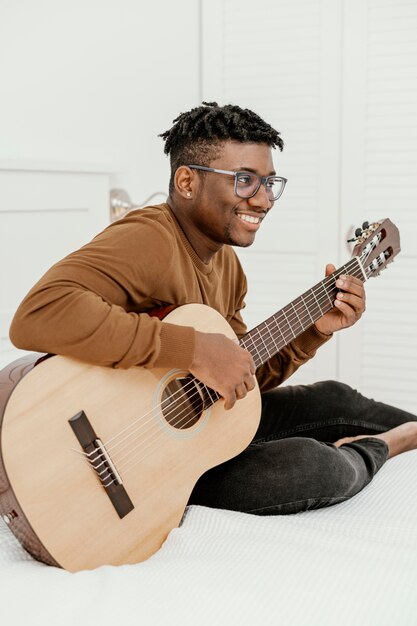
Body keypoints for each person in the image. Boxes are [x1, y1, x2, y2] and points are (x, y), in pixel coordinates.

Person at [9, 101, 417, 515]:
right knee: (313, 465)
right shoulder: (148, 239)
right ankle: (383, 446)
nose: (263, 200)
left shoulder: (228, 267)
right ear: (187, 181)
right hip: (140, 463)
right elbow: (38, 315)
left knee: (335, 398)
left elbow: (241, 376)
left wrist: (314, 330)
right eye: (244, 181)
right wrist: (193, 349)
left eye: (269, 183)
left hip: (193, 425)